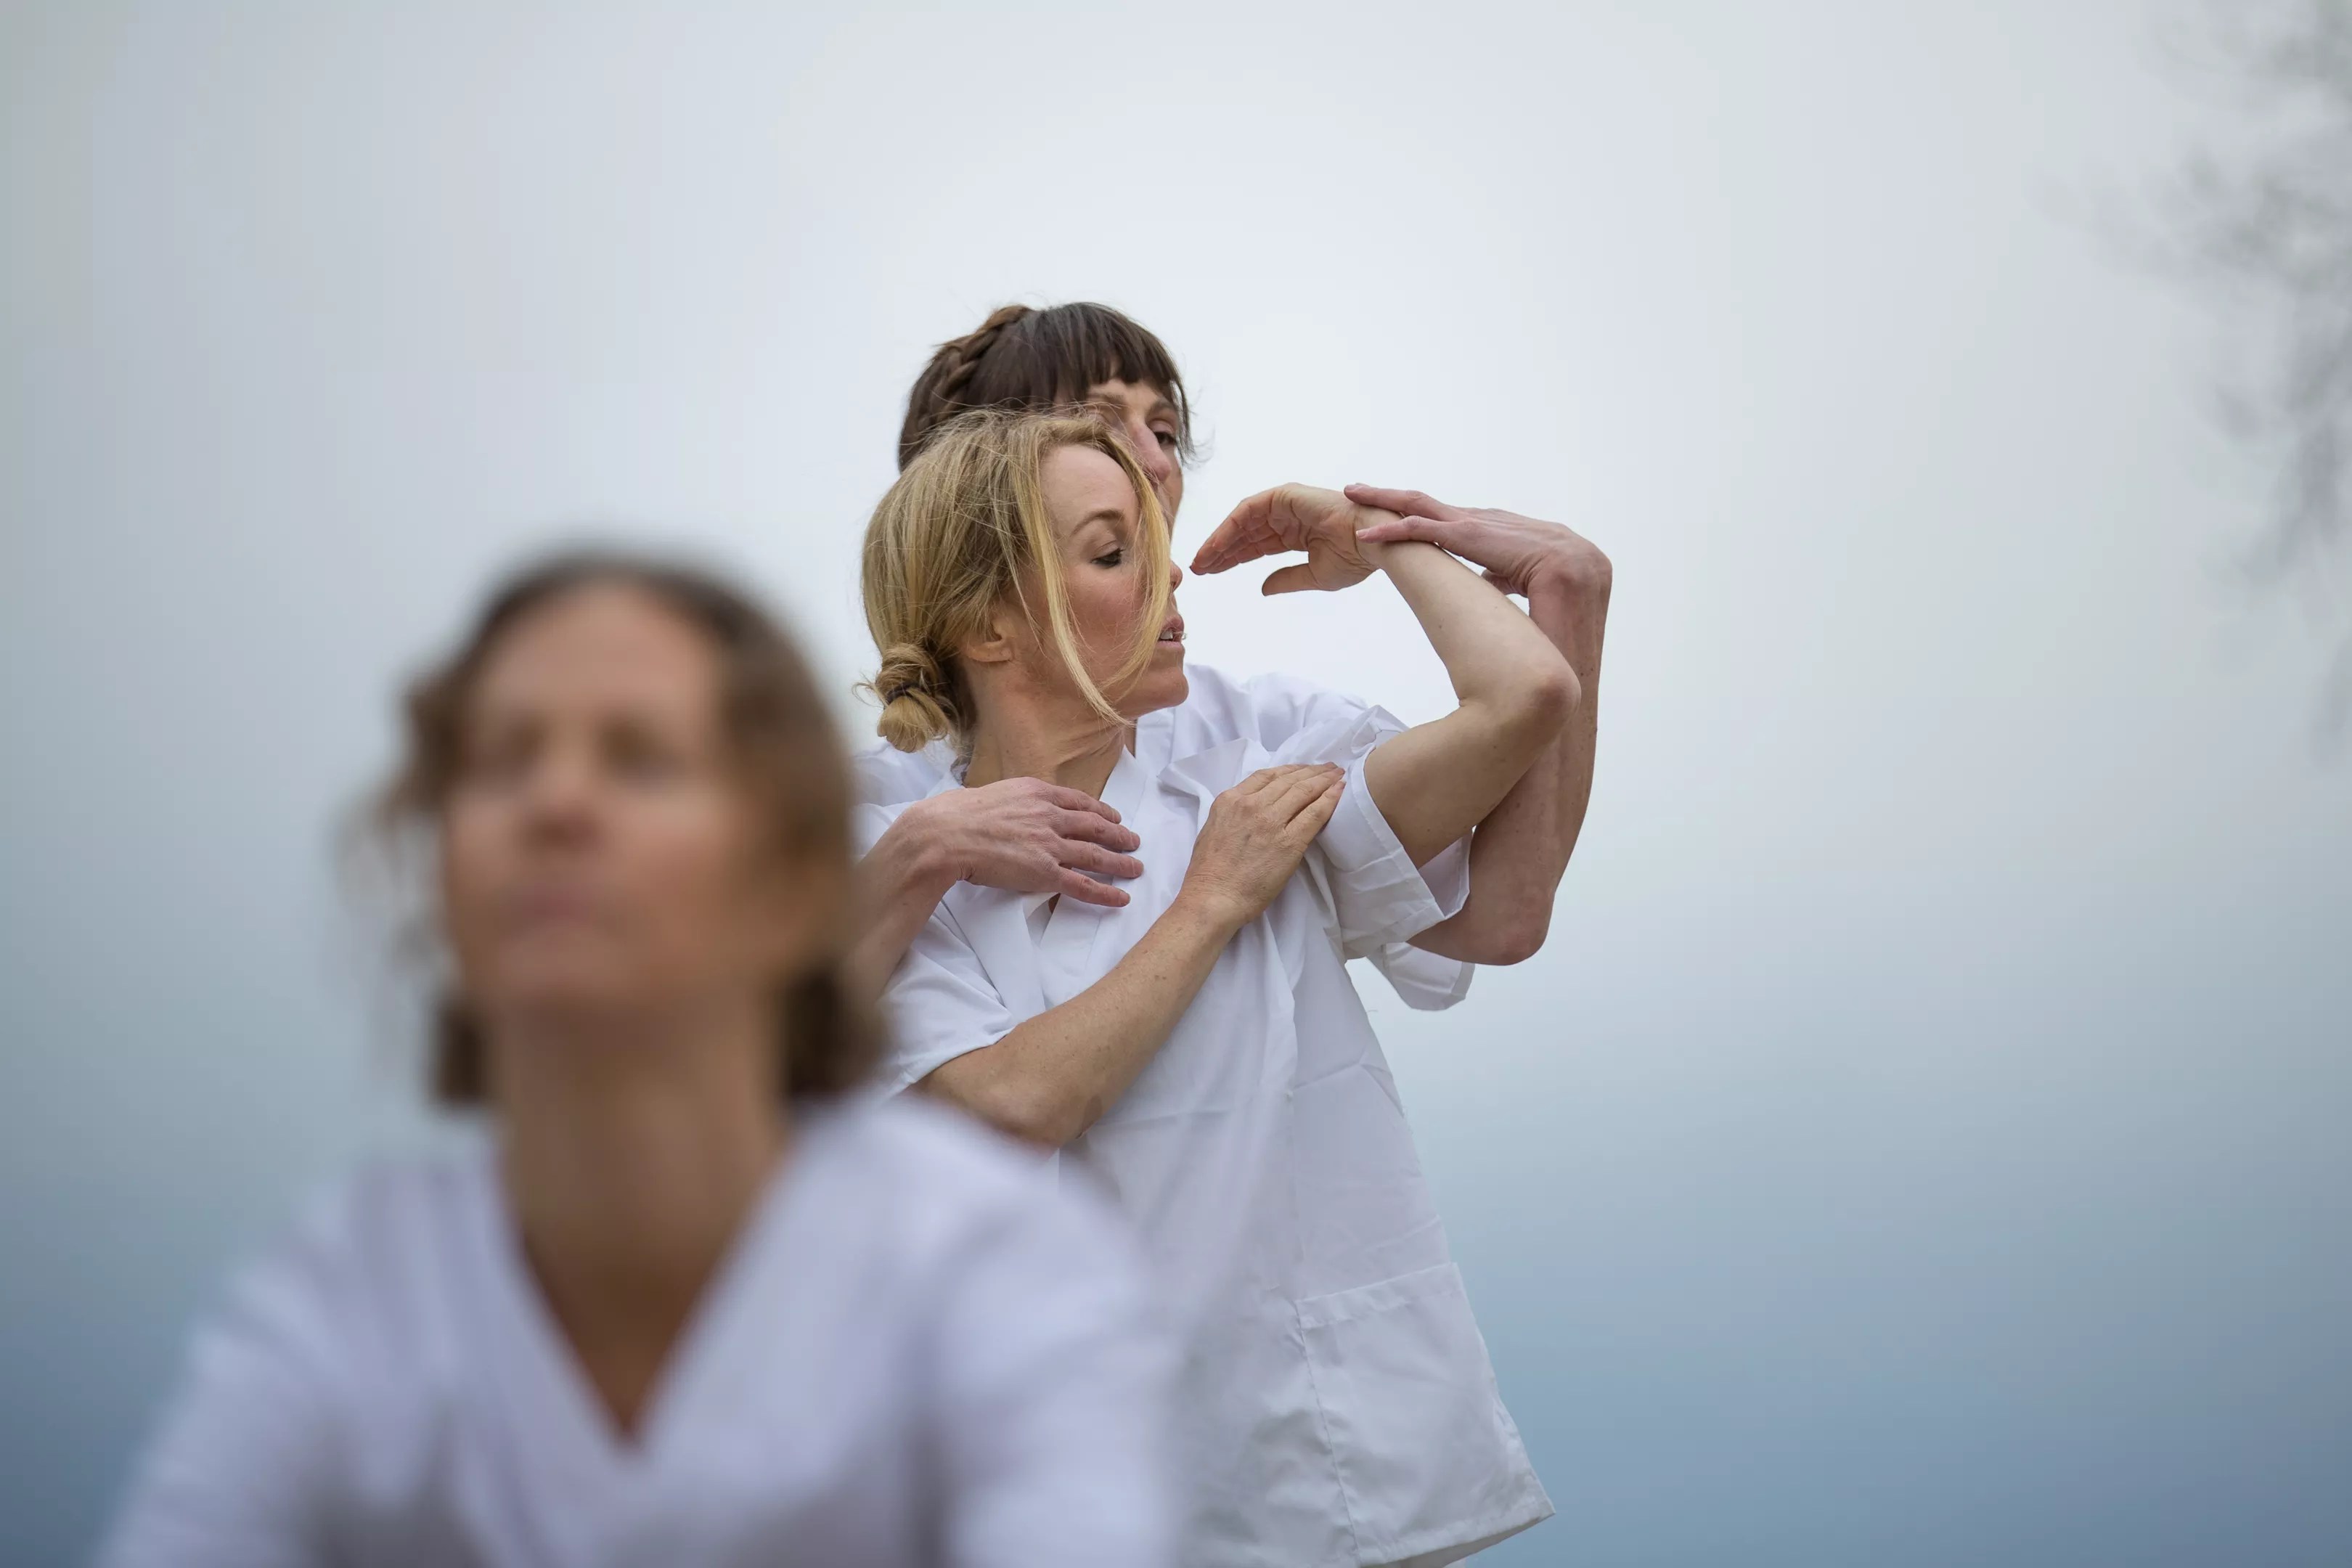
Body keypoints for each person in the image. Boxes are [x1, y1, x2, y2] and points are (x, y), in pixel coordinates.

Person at [99, 552, 1175, 1568]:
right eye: (500, 761)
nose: (554, 804)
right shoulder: (353, 1291)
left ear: (794, 880)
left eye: (640, 759)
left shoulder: (992, 1273)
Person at [857, 409, 1567, 1566]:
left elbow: (1525, 692)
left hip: (1330, 1483)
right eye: (1113, 552)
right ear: (989, 624)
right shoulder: (896, 865)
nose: (1171, 574)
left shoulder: (1263, 785)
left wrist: (1377, 534)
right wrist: (1209, 904)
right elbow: (1006, 1106)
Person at [849, 301, 1613, 1008]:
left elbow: (1498, 917)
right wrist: (915, 856)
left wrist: (1566, 595)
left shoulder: (1274, 740)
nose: (1155, 462)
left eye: (1166, 432)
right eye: (1099, 425)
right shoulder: (872, 809)